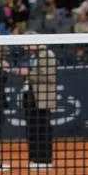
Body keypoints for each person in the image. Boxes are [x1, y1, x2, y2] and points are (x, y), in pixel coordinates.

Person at [20, 39, 56, 168]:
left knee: (43, 128)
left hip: (42, 97)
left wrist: (28, 74)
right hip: (29, 96)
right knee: (32, 128)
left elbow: (50, 77)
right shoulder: (31, 57)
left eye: (26, 42)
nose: (24, 46)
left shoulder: (47, 55)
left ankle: (44, 160)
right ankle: (35, 159)